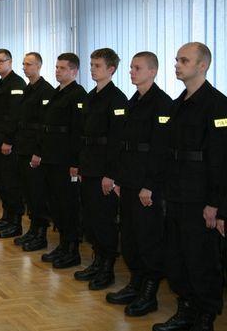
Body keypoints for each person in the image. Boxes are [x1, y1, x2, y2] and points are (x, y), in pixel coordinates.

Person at [153, 42, 227, 331]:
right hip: (175, 194)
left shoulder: (217, 104)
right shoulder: (177, 104)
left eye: (184, 60)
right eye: (176, 60)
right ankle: (185, 309)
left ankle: (205, 316)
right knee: (177, 256)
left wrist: (216, 204)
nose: (177, 64)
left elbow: (221, 159)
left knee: (201, 259)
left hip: (200, 199)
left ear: (202, 65)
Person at [105, 51, 172, 316]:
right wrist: (120, 179)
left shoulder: (162, 103)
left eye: (137, 67)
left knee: (148, 238)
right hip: (129, 182)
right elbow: (123, 145)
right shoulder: (132, 101)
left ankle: (149, 292)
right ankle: (135, 283)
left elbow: (160, 149)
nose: (131, 71)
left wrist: (149, 185)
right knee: (130, 237)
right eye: (131, 67)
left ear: (152, 71)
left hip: (147, 185)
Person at [74, 48, 127, 290]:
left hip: (104, 170)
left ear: (111, 69)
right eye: (92, 64)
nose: (93, 69)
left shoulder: (117, 99)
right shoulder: (91, 95)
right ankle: (97, 261)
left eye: (97, 65)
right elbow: (83, 133)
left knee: (104, 220)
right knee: (92, 218)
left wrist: (111, 174)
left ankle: (107, 268)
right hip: (89, 165)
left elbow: (117, 141)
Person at [32, 53, 86, 268]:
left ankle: (72, 249)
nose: (57, 71)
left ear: (73, 71)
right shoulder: (56, 93)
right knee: (55, 204)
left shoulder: (78, 95)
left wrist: (75, 162)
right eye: (56, 67)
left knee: (68, 205)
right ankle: (63, 245)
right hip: (51, 159)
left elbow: (77, 132)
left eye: (62, 68)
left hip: (65, 161)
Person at [13, 52, 55, 251]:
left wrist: (38, 152)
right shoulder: (27, 89)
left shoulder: (46, 90)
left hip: (34, 152)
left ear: (38, 66)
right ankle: (32, 230)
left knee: (38, 194)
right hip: (22, 148)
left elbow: (44, 126)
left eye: (28, 64)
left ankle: (41, 234)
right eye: (23, 64)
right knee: (28, 193)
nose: (24, 67)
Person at [0, 49, 27, 238]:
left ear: (10, 62)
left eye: (1, 61)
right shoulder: (1, 84)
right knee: (2, 182)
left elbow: (15, 116)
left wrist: (7, 141)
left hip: (8, 144)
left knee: (11, 183)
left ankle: (15, 222)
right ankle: (6, 217)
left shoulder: (17, 83)